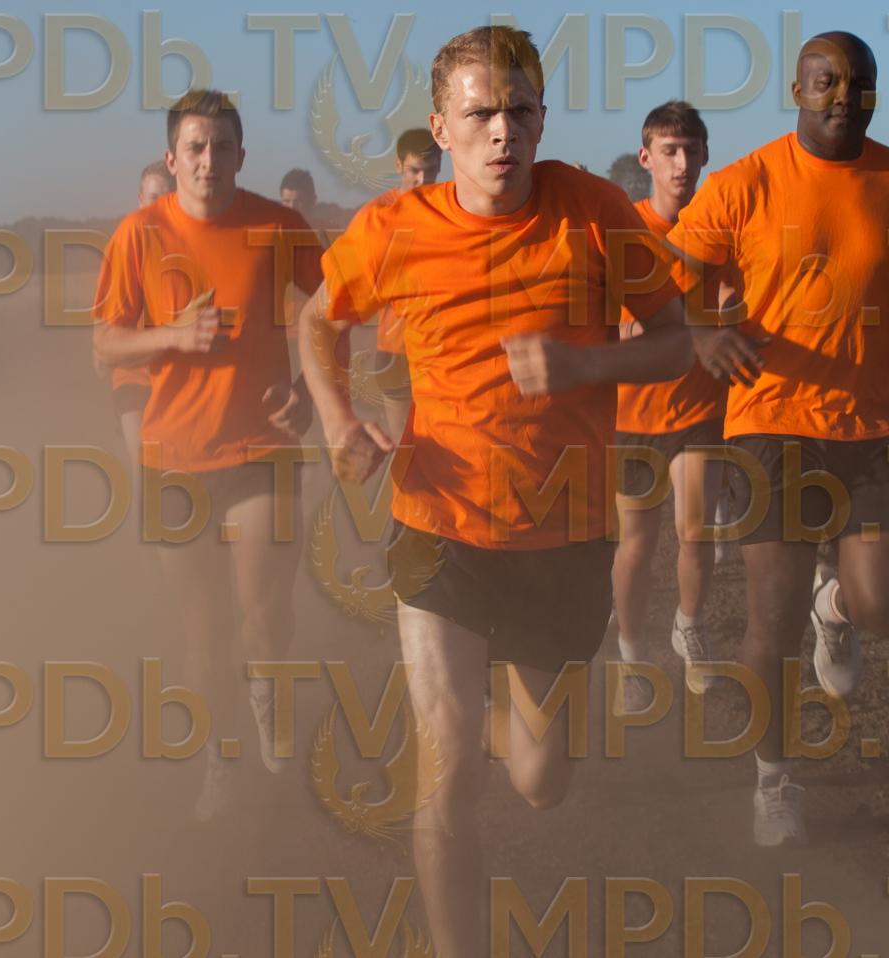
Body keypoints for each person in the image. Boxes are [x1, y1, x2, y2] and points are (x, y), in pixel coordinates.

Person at [298, 27, 690, 956]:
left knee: (541, 781)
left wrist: (582, 365)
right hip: (438, 528)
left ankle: (493, 710)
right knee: (446, 781)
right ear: (442, 128)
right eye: (479, 114)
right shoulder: (394, 230)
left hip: (566, 536)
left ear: (543, 118)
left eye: (518, 111)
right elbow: (318, 320)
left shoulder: (593, 210)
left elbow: (679, 341)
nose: (502, 131)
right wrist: (338, 420)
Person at [665, 31, 889, 846]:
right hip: (769, 422)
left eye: (859, 83)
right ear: (798, 90)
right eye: (826, 81)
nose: (843, 95)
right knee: (767, 622)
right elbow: (667, 278)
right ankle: (775, 781)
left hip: (878, 427)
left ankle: (833, 606)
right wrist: (701, 332)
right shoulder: (744, 184)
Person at [93, 89, 319, 820]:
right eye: (195, 147)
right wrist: (172, 336)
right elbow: (106, 343)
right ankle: (218, 758)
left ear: (241, 156)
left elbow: (333, 314)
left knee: (265, 612)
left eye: (222, 147)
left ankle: (268, 692)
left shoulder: (279, 226)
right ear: (172, 157)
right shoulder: (138, 234)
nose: (208, 161)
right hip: (174, 460)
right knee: (204, 635)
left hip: (261, 450)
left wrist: (310, 395)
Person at [608, 101, 736, 709]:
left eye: (691, 150)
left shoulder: (721, 231)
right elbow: (602, 324)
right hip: (631, 415)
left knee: (696, 534)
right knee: (636, 544)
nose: (682, 163)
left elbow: (736, 305)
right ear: (646, 158)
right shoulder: (623, 232)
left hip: (699, 408)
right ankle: (632, 654)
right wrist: (646, 330)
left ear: (706, 155)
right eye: (669, 151)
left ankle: (689, 624)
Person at [367, 128, 444, 443]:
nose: (422, 180)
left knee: (444, 446)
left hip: (443, 351)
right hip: (395, 348)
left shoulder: (452, 210)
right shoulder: (378, 216)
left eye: (430, 171)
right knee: (406, 445)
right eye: (414, 171)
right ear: (399, 166)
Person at [105, 161, 175, 469]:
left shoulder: (193, 245)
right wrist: (101, 346)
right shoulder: (125, 244)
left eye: (167, 197)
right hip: (131, 373)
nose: (158, 205)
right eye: (152, 197)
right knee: (140, 462)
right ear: (140, 199)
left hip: (176, 377)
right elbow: (107, 309)